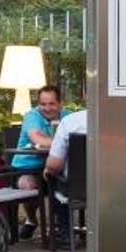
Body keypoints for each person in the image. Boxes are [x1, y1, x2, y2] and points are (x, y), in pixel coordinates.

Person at [10, 85, 60, 238]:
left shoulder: (67, 115)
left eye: (51, 104)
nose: (47, 108)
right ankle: (31, 220)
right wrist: (62, 141)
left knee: (66, 181)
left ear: (60, 103)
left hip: (56, 165)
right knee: (27, 185)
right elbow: (37, 138)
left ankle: (58, 226)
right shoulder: (32, 116)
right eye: (43, 104)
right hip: (28, 166)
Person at [44, 101, 87, 242]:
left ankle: (65, 234)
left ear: (85, 94)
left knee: (52, 176)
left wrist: (48, 169)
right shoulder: (121, 120)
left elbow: (54, 165)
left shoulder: (70, 122)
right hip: (112, 188)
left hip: (77, 189)